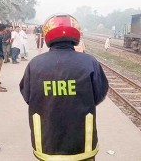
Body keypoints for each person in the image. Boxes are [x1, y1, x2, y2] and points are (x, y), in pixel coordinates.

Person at [20, 14, 109, 161]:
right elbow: (99, 94)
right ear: (76, 35)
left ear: (47, 35)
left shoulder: (35, 64)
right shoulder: (89, 62)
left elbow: (27, 95)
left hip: (47, 142)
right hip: (82, 144)